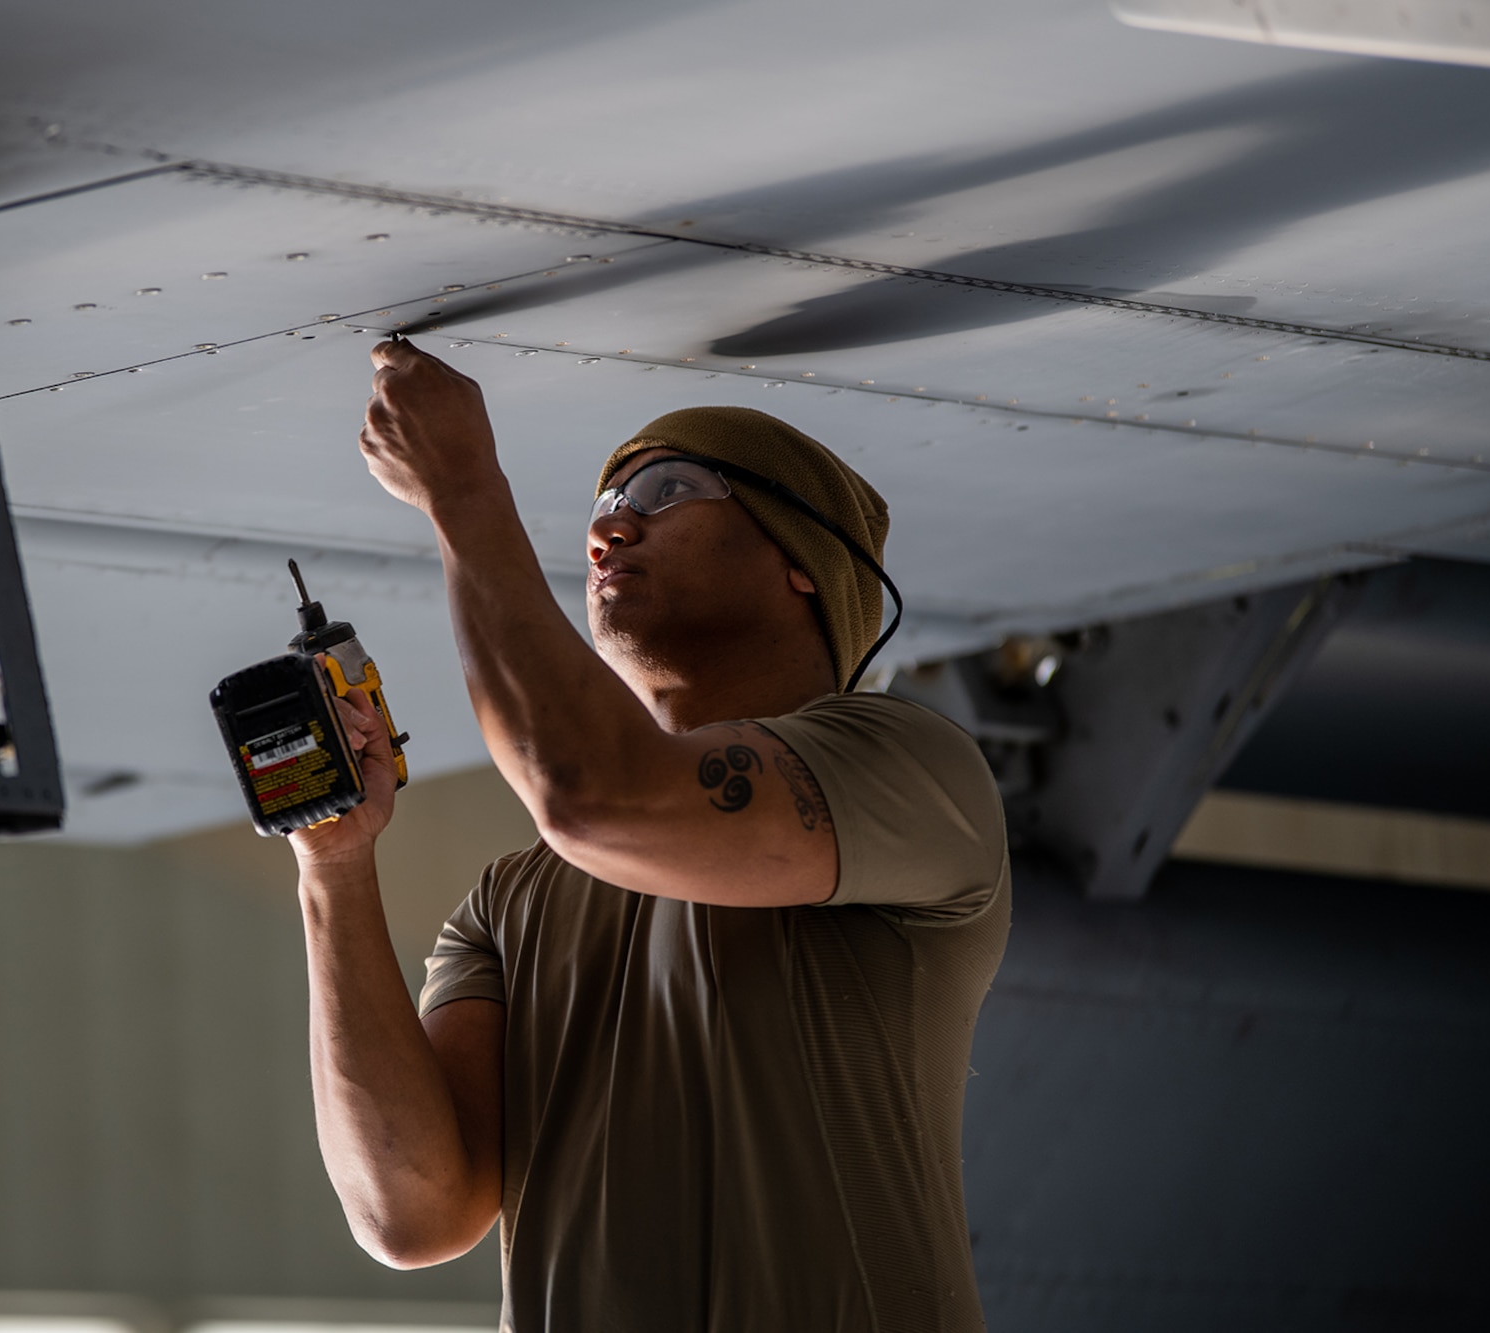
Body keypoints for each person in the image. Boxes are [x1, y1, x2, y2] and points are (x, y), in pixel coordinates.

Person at [289, 339, 1010, 1333]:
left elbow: (594, 794)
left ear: (804, 563)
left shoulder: (908, 769)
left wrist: (462, 486)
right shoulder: (512, 902)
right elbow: (413, 1214)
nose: (609, 527)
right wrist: (332, 864)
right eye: (598, 507)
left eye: (666, 487)